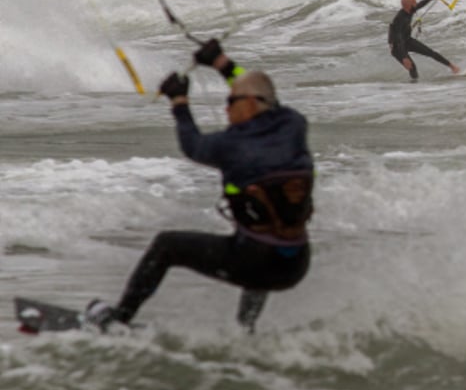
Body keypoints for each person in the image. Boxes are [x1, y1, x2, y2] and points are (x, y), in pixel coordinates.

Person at [85, 39, 314, 333]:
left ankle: (119, 320)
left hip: (255, 263)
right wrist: (222, 63)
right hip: (295, 264)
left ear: (250, 104)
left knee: (167, 246)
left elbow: (192, 145)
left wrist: (179, 102)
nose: (226, 108)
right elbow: (266, 96)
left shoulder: (231, 145)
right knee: (268, 235)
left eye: (231, 102)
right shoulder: (294, 124)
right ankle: (246, 329)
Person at [388, 0, 461, 81]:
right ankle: (414, 85)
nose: (416, 3)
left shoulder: (409, 10)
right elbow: (398, 38)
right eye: (414, 2)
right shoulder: (399, 18)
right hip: (397, 46)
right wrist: (404, 57)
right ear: (409, 5)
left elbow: (420, 5)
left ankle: (452, 67)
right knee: (412, 67)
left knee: (431, 52)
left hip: (407, 40)